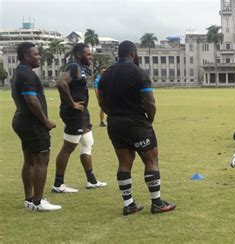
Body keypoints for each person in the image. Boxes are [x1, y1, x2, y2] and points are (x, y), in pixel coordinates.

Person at [98, 40, 175, 215]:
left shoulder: (106, 74)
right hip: (137, 124)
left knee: (124, 163)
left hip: (115, 124)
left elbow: (101, 102)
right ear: (133, 53)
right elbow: (150, 101)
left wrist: (114, 115)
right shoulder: (138, 72)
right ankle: (157, 203)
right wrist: (150, 118)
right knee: (151, 160)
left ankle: (129, 204)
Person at [11, 42, 61, 211]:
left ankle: (29, 198)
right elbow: (32, 101)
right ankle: (38, 202)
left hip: (21, 120)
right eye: (36, 54)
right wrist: (46, 121)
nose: (39, 56)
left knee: (29, 160)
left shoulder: (20, 72)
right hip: (33, 123)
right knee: (42, 159)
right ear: (26, 56)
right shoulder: (27, 75)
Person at [53, 43, 107, 194]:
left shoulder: (80, 68)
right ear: (78, 55)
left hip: (82, 113)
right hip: (73, 113)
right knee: (68, 147)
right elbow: (60, 83)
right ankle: (58, 184)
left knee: (88, 142)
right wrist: (72, 104)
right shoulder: (73, 67)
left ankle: (92, 181)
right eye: (88, 54)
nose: (91, 57)